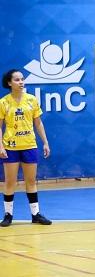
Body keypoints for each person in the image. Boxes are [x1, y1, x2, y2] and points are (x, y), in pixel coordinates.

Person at [0, 69, 52, 226]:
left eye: (22, 79)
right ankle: (8, 215)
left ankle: (35, 214)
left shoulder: (32, 100)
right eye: (17, 80)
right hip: (11, 146)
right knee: (10, 182)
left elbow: (38, 122)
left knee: (31, 180)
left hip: (29, 144)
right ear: (9, 83)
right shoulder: (3, 102)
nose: (21, 82)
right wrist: (1, 146)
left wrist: (45, 142)